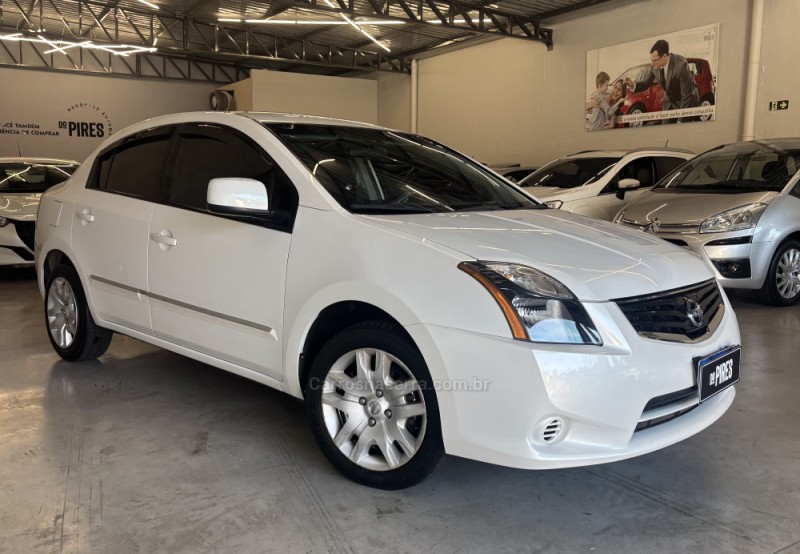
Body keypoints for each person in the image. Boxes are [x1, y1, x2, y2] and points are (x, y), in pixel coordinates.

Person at [624, 39, 699, 123]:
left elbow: (686, 96)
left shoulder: (681, 65)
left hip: (685, 102)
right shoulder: (654, 66)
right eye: (651, 60)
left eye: (655, 60)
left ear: (664, 56)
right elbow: (646, 83)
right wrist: (632, 85)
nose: (652, 63)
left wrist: (680, 120)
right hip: (669, 101)